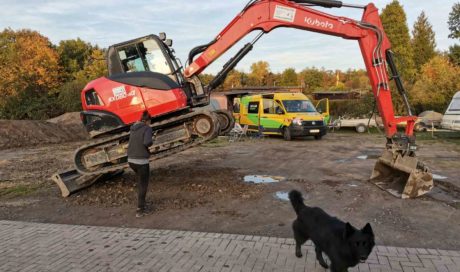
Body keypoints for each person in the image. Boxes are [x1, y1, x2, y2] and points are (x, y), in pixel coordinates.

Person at [127, 110, 153, 217]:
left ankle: (142, 204)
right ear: (147, 121)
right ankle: (140, 210)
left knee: (140, 182)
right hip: (141, 161)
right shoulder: (147, 128)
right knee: (143, 185)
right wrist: (152, 140)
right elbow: (147, 142)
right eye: (150, 121)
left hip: (131, 160)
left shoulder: (133, 128)